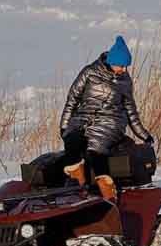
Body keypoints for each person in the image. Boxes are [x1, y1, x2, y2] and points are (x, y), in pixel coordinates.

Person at [59, 36, 154, 201]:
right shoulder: (89, 72)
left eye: (126, 66)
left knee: (95, 150)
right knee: (72, 141)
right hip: (83, 118)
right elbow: (72, 99)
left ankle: (108, 194)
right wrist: (64, 126)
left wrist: (143, 134)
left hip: (111, 122)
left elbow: (131, 110)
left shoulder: (125, 81)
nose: (124, 70)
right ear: (111, 61)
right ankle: (80, 188)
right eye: (121, 65)